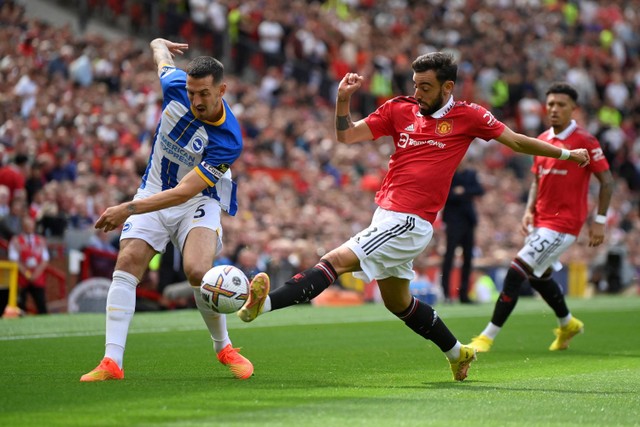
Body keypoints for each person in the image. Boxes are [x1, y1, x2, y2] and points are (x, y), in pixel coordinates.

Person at [236, 53, 590, 381]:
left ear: (447, 87)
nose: (417, 92)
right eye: (415, 84)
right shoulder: (399, 109)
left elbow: (516, 142)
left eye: (426, 86)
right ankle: (458, 352)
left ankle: (262, 305)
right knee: (398, 302)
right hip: (386, 217)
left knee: (336, 260)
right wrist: (343, 99)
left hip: (409, 221)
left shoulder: (469, 115)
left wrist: (567, 154)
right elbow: (345, 136)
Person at [80, 38, 253, 382]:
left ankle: (224, 347)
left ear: (222, 90)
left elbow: (184, 192)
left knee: (196, 271)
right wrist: (158, 43)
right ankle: (112, 362)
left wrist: (127, 209)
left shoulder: (228, 140)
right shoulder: (174, 84)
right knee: (128, 260)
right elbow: (160, 58)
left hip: (197, 200)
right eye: (191, 93)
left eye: (204, 94)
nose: (195, 100)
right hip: (154, 190)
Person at [468, 82, 613, 353]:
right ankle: (568, 323)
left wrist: (600, 220)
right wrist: (528, 210)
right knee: (538, 276)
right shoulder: (543, 139)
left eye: (561, 105)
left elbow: (607, 181)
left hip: (564, 223)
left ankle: (486, 337)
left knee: (515, 272)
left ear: (574, 109)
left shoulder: (586, 141)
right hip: (541, 221)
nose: (554, 109)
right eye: (550, 105)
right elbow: (537, 179)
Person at [440, 157, 485, 303]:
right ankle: (446, 293)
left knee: (468, 257)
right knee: (449, 256)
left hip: (467, 220)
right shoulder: (449, 173)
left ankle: (464, 294)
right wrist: (463, 194)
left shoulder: (470, 174)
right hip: (454, 221)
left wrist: (462, 191)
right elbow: (445, 193)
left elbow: (479, 190)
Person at [9, 216, 50, 314]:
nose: (29, 227)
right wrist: (26, 273)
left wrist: (35, 274)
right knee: (20, 304)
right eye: (27, 225)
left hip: (37, 277)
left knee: (41, 304)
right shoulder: (16, 240)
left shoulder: (40, 240)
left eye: (31, 224)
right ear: (23, 226)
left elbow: (45, 259)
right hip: (22, 277)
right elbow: (14, 259)